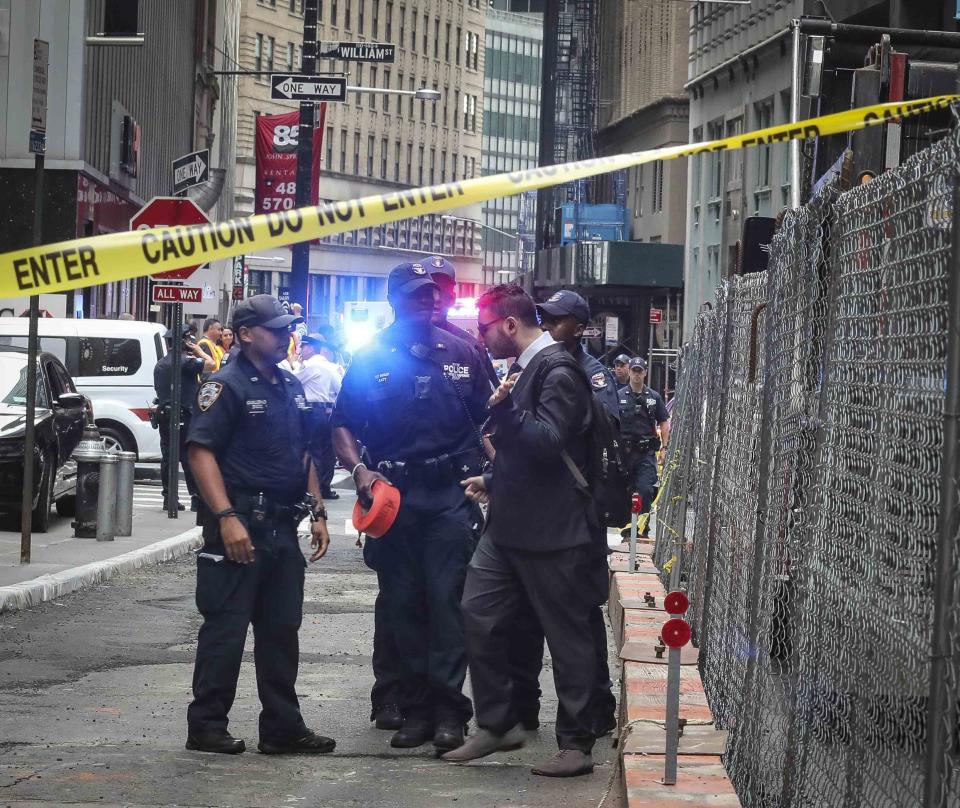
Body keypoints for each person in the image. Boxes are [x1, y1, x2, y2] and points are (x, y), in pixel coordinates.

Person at [331, 262, 492, 753]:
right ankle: (414, 709)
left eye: (439, 293)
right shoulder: (370, 354)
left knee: (447, 602)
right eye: (421, 294)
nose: (432, 301)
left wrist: (500, 479)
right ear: (396, 299)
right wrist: (359, 470)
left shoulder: (466, 351)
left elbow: (491, 423)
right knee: (402, 604)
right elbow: (342, 424)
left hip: (450, 494)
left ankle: (450, 712)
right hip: (395, 497)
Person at [443, 284, 598, 778]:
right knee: (477, 611)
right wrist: (493, 479)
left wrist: (506, 411)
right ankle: (497, 723)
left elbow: (550, 442)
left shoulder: (558, 370)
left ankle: (576, 743)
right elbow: (526, 454)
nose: (480, 337)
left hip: (553, 530)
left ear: (509, 325)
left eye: (485, 328)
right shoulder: (526, 367)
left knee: (566, 636)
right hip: (509, 522)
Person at [184, 294, 335, 757]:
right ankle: (207, 726)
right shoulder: (226, 385)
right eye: (277, 328)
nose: (288, 334)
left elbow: (304, 453)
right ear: (247, 334)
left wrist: (318, 510)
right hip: (241, 522)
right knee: (226, 631)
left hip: (281, 528)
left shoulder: (288, 386)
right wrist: (226, 518)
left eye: (289, 327)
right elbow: (199, 451)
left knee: (281, 630)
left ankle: (282, 728)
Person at [531, 289, 619, 736]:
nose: (547, 326)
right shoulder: (534, 365)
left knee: (582, 611)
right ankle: (523, 707)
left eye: (557, 320)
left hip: (579, 509)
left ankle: (598, 707)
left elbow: (604, 427)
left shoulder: (591, 374)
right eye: (544, 317)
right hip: (539, 511)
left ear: (579, 328)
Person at [153, 323, 214, 511]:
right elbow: (211, 364)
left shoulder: (160, 364)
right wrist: (198, 351)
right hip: (184, 416)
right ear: (184, 342)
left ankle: (168, 497)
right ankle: (196, 498)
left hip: (165, 416)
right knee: (188, 457)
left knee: (168, 458)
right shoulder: (186, 362)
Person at [618, 357, 670, 537]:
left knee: (645, 490)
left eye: (640, 371)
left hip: (646, 453)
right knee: (625, 490)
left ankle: (642, 528)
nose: (637, 374)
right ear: (629, 371)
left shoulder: (654, 398)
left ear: (645, 373)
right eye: (634, 370)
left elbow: (664, 422)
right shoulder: (619, 396)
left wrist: (664, 447)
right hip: (624, 453)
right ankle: (627, 528)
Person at [296, 333, 342, 500]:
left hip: (311, 411)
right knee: (328, 451)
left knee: (312, 450)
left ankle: (312, 490)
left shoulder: (310, 366)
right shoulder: (331, 366)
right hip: (327, 412)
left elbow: (293, 381)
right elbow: (340, 389)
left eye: (303, 346)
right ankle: (325, 487)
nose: (300, 350)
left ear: (311, 348)